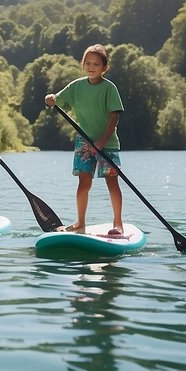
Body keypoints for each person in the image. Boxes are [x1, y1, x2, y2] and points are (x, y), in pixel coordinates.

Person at [44, 44, 124, 235]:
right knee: (83, 183)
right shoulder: (76, 86)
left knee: (112, 182)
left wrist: (102, 142)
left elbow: (115, 117)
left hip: (107, 143)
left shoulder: (109, 88)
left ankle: (118, 223)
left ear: (104, 68)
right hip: (84, 142)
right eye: (87, 63)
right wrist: (51, 98)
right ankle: (80, 223)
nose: (91, 67)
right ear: (83, 64)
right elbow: (57, 99)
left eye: (96, 64)